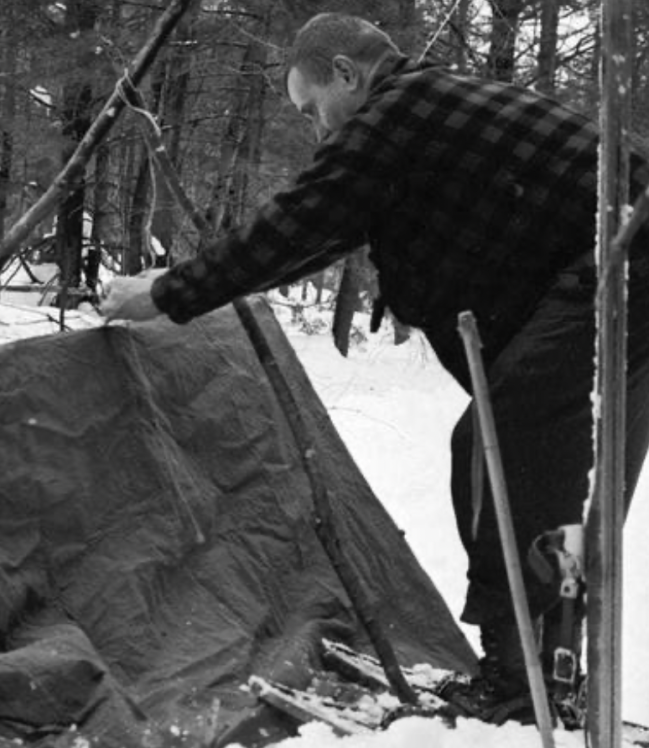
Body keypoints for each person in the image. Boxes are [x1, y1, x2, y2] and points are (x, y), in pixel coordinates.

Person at [101, 12, 649, 726]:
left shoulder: (397, 116)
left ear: (348, 75)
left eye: (311, 108)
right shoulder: (432, 113)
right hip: (628, 260)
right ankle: (556, 665)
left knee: (499, 457)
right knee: (555, 480)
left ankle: (522, 676)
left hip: (628, 256)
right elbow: (320, 237)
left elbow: (296, 223)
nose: (317, 130)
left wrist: (165, 293)